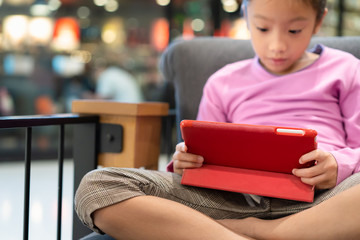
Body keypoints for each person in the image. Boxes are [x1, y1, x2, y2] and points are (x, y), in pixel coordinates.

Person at [75, 0, 360, 239]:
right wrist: (187, 162)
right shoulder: (223, 81)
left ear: (318, 20)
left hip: (324, 200)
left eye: (295, 30)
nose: (277, 45)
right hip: (233, 201)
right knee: (96, 186)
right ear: (246, 16)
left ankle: (262, 232)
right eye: (262, 28)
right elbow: (202, 155)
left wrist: (338, 164)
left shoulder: (346, 69)